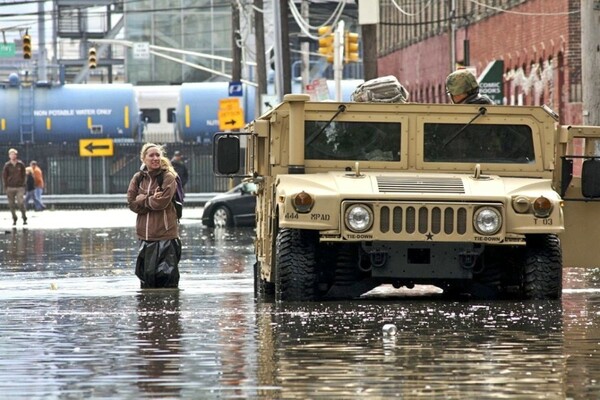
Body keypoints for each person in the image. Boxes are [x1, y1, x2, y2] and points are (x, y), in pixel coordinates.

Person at [127, 143, 181, 288]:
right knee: (146, 283)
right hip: (145, 238)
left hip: (166, 238)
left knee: (167, 285)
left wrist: (142, 198)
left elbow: (161, 203)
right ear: (143, 159)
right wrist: (150, 198)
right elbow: (132, 203)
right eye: (151, 155)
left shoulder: (168, 177)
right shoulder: (138, 178)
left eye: (158, 155)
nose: (155, 158)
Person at [2, 148, 27, 226]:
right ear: (9, 156)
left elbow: (24, 175)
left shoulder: (20, 164)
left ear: (16, 155)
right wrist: (5, 186)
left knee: (20, 202)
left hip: (19, 187)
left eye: (14, 154)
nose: (13, 156)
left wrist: (23, 184)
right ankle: (14, 218)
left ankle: (24, 216)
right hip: (10, 187)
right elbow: (4, 176)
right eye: (11, 154)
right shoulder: (7, 165)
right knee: (11, 204)